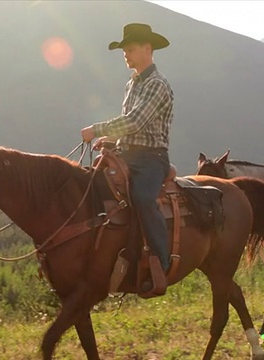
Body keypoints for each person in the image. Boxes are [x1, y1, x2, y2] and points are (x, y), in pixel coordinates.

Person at [81, 23, 174, 287]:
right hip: (127, 154)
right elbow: (129, 126)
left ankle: (161, 262)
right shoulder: (132, 83)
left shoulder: (157, 84)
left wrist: (96, 129)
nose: (126, 54)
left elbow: (134, 122)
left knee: (143, 198)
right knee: (91, 187)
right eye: (124, 50)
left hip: (151, 159)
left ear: (148, 48)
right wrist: (109, 139)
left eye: (130, 49)